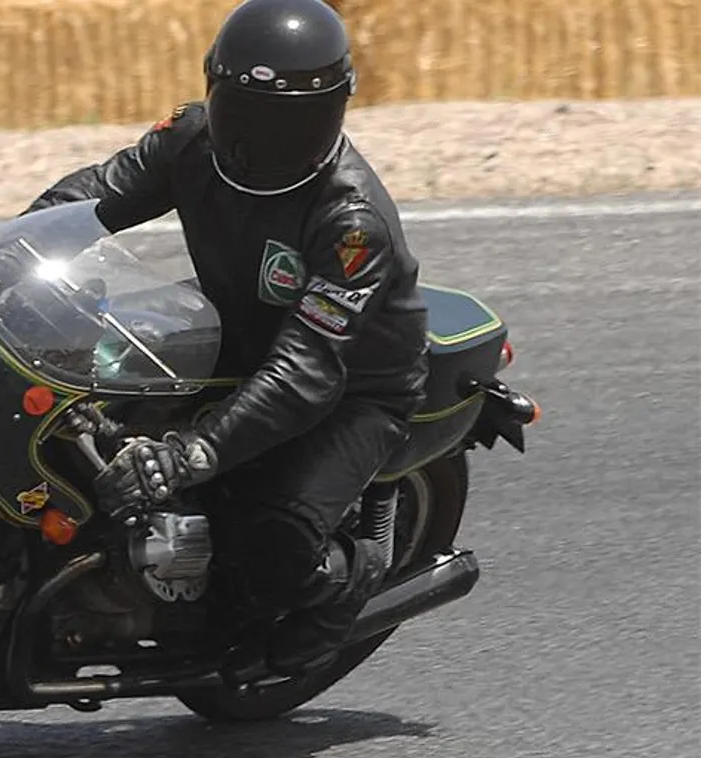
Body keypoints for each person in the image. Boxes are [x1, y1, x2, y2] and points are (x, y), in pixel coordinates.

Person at [23, 0, 429, 680]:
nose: (256, 137)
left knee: (267, 542)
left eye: (285, 118)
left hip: (352, 386)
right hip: (232, 337)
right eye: (244, 108)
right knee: (81, 413)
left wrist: (192, 451)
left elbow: (307, 371)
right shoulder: (191, 138)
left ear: (328, 112)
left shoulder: (351, 221)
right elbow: (96, 194)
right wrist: (17, 248)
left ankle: (340, 591)